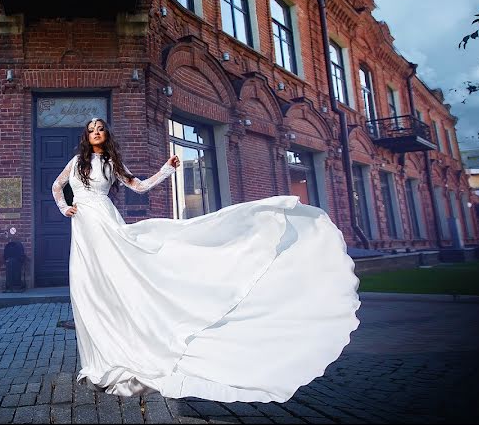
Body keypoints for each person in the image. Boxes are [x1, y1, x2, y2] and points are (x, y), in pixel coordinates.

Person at [51, 117, 361, 403]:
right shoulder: (76, 162)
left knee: (118, 280)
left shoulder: (110, 163)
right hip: (83, 227)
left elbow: (140, 186)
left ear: (105, 135)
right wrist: (65, 208)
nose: (96, 133)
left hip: (105, 222)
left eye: (101, 129)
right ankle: (97, 360)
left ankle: (124, 348)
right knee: (87, 288)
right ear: (86, 136)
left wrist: (167, 169)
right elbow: (57, 186)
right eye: (92, 129)